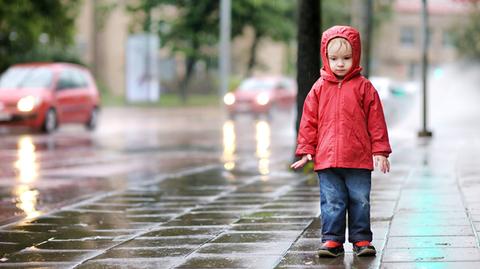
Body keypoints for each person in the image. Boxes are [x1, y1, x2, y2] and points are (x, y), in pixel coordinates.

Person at [291, 25, 392, 258]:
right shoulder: (318, 88)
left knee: (360, 201)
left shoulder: (364, 87)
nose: (340, 63)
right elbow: (309, 121)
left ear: (355, 56)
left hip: (357, 159)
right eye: (334, 58)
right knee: (332, 202)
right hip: (327, 161)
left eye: (346, 58)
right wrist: (306, 149)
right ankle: (332, 241)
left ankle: (362, 240)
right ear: (325, 57)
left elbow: (376, 121)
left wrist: (380, 151)